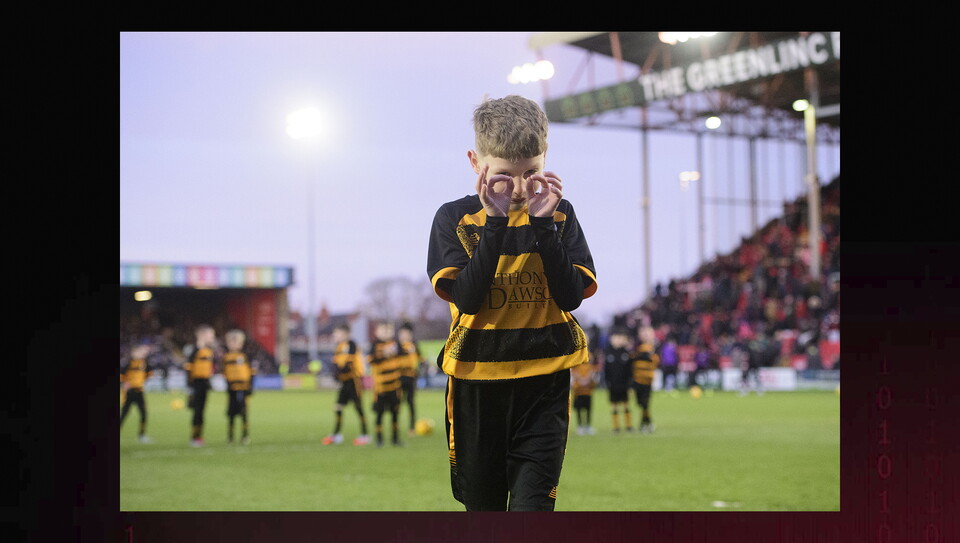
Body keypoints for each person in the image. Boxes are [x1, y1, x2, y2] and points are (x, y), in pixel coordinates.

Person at [426, 95, 597, 511]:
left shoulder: (559, 215)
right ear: (476, 162)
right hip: (477, 383)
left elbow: (571, 296)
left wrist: (543, 227)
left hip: (544, 383)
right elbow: (468, 300)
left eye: (531, 172)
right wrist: (496, 224)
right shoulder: (454, 219)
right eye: (504, 175)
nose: (520, 187)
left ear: (545, 158)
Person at [323, 323, 371, 446]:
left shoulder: (351, 345)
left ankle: (365, 435)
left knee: (358, 407)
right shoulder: (338, 347)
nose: (335, 336)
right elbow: (336, 364)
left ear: (345, 334)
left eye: (337, 333)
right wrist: (336, 373)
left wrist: (339, 372)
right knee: (338, 407)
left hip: (354, 380)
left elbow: (348, 364)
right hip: (345, 382)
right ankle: (336, 434)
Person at [368, 321, 403, 447]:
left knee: (395, 413)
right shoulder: (374, 345)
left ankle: (395, 439)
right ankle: (379, 439)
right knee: (379, 414)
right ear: (377, 332)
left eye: (389, 330)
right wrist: (383, 354)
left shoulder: (396, 344)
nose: (386, 333)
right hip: (380, 387)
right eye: (383, 330)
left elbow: (403, 355)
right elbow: (371, 360)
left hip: (394, 386)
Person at [183, 324, 218, 447]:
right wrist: (190, 386)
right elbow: (188, 368)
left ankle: (198, 437)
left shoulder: (209, 351)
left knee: (201, 411)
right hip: (196, 384)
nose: (213, 338)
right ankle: (194, 437)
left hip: (204, 384)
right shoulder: (194, 350)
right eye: (211, 335)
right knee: (197, 410)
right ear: (202, 335)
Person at [222, 329, 255, 445]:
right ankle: (230, 436)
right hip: (232, 389)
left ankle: (245, 435)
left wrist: (250, 387)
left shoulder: (245, 356)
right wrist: (227, 384)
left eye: (237, 342)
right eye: (232, 341)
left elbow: (251, 373)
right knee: (231, 413)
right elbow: (224, 373)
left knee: (244, 412)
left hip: (243, 388)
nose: (234, 344)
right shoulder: (226, 357)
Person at [120, 340, 155, 443]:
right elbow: (121, 376)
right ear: (133, 352)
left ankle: (142, 435)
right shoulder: (128, 363)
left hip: (139, 392)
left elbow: (150, 373)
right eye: (139, 352)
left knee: (144, 413)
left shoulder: (144, 363)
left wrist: (142, 381)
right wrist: (124, 384)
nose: (141, 354)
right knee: (124, 414)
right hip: (129, 392)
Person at [603, 327, 634, 434]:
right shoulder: (608, 353)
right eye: (616, 338)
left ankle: (629, 425)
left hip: (624, 385)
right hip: (613, 385)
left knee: (626, 405)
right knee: (614, 405)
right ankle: (616, 427)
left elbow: (630, 370)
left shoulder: (626, 353)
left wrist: (630, 383)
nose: (618, 340)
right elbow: (606, 370)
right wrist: (607, 382)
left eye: (620, 338)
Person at [396, 322, 424, 436]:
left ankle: (412, 427)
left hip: (411, 378)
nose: (404, 336)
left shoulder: (414, 346)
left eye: (406, 333)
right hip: (398, 378)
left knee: (410, 402)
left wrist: (421, 368)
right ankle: (395, 426)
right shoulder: (396, 346)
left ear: (410, 335)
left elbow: (421, 359)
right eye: (402, 333)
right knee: (396, 402)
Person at [631, 327, 660, 433]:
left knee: (645, 403)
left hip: (647, 380)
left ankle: (645, 423)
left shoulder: (655, 347)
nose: (645, 335)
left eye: (647, 334)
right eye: (643, 333)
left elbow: (655, 361)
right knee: (640, 403)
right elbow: (632, 359)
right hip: (637, 379)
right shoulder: (637, 347)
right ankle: (647, 422)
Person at [570, 353, 598, 435]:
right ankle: (580, 426)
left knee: (588, 409)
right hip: (578, 392)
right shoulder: (576, 366)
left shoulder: (590, 367)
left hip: (588, 392)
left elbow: (593, 378)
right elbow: (573, 376)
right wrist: (581, 381)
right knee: (579, 409)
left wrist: (588, 381)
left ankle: (588, 426)